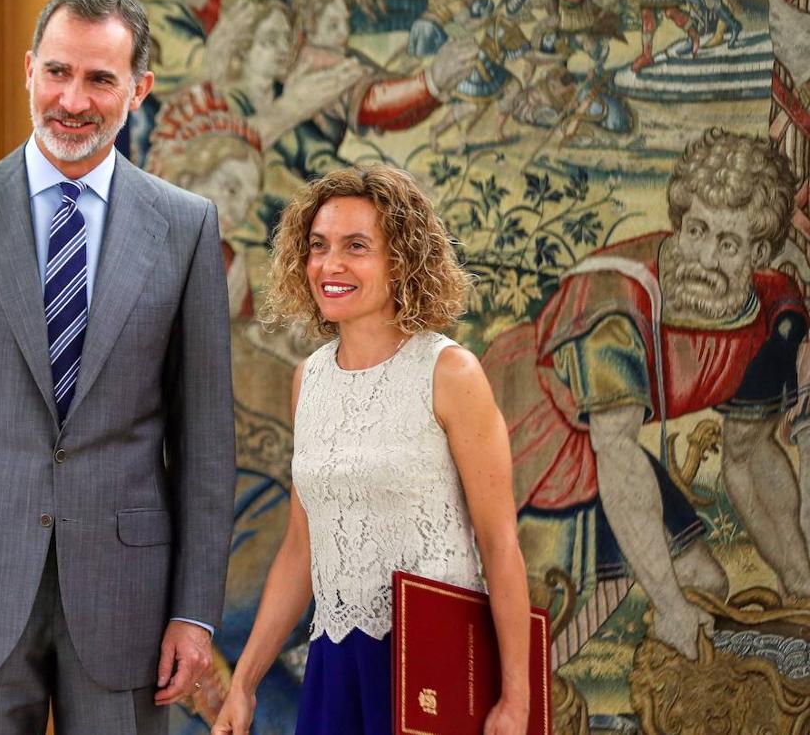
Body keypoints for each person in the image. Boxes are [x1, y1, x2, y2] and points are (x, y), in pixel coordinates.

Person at [0, 0, 237, 735]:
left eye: (100, 79)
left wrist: (194, 613)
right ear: (30, 70)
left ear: (139, 90)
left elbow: (204, 442)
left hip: (130, 602)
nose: (73, 99)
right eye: (58, 72)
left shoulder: (186, 227)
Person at [210, 165, 532, 735]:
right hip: (334, 660)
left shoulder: (450, 372)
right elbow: (301, 548)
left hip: (432, 663)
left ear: (402, 260)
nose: (329, 264)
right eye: (318, 246)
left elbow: (500, 543)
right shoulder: (309, 380)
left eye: (356, 247)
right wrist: (244, 684)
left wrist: (516, 699)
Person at [483, 128, 810, 661]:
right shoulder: (615, 302)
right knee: (537, 634)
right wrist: (670, 607)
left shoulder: (770, 312)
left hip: (607, 441)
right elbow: (614, 454)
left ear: (758, 254)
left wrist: (800, 583)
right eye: (696, 230)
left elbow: (750, 457)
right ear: (679, 222)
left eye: (728, 244)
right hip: (535, 435)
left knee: (706, 584)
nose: (705, 258)